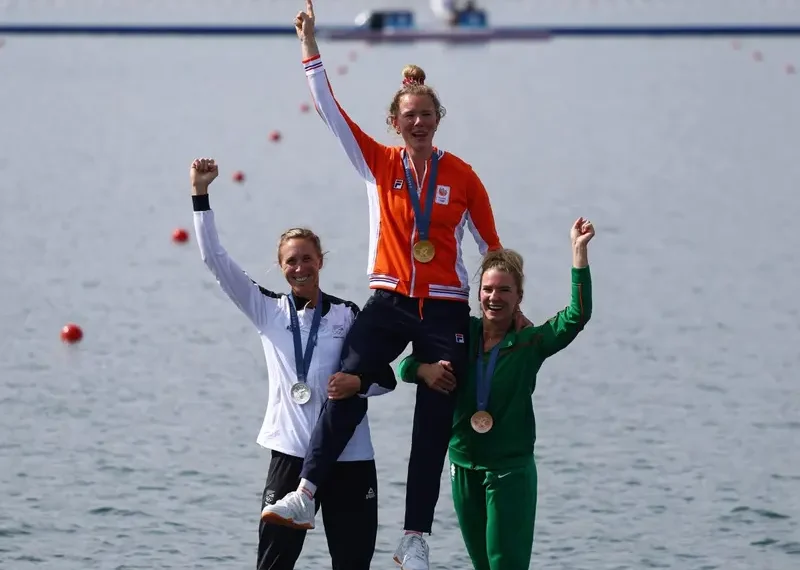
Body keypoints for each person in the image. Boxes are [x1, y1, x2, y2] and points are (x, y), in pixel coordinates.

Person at [260, 2, 504, 569]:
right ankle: (307, 494)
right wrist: (310, 46)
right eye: (408, 116)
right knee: (345, 380)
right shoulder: (377, 162)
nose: (417, 122)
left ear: (437, 118)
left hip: (444, 309)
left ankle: (414, 537)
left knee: (435, 410)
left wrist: (503, 309)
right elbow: (329, 111)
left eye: (426, 114)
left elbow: (491, 248)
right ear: (395, 122)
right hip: (390, 300)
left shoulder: (463, 176)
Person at [189, 157, 397, 570]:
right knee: (272, 565)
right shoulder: (266, 310)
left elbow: (384, 380)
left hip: (351, 458)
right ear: (281, 267)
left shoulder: (347, 314)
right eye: (291, 262)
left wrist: (358, 384)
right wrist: (200, 194)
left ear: (321, 260)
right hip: (289, 456)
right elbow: (215, 259)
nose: (299, 268)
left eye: (306, 258)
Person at [396, 217, 595, 570]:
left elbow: (577, 316)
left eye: (504, 290)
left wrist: (578, 252)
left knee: (505, 564)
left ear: (519, 297)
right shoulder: (461, 333)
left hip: (509, 471)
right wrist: (423, 370)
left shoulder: (529, 342)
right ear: (478, 294)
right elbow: (404, 366)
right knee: (482, 565)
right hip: (462, 466)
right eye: (488, 289)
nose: (494, 297)